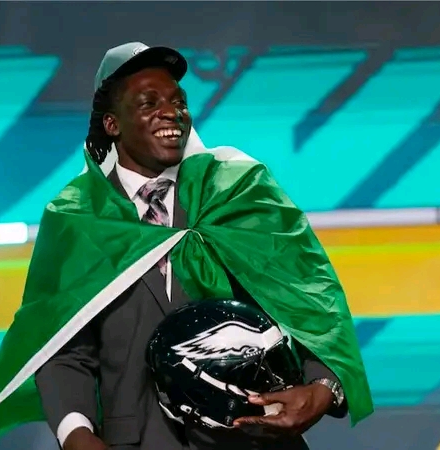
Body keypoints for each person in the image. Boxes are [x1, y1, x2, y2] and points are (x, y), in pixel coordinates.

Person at [34, 42, 350, 450]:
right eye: (149, 103)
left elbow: (310, 300)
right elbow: (62, 351)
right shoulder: (80, 222)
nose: (171, 112)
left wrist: (323, 387)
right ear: (112, 124)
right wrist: (76, 435)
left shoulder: (236, 195)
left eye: (178, 101)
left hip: (254, 439)